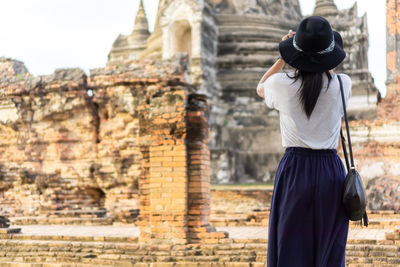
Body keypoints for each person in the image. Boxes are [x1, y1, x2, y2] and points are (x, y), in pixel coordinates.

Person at [256, 16, 351, 267]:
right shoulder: (343, 84)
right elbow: (328, 74)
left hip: (295, 169)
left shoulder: (280, 85)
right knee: (328, 249)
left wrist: (283, 58)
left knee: (290, 246)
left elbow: (260, 87)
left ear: (296, 53)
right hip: (331, 170)